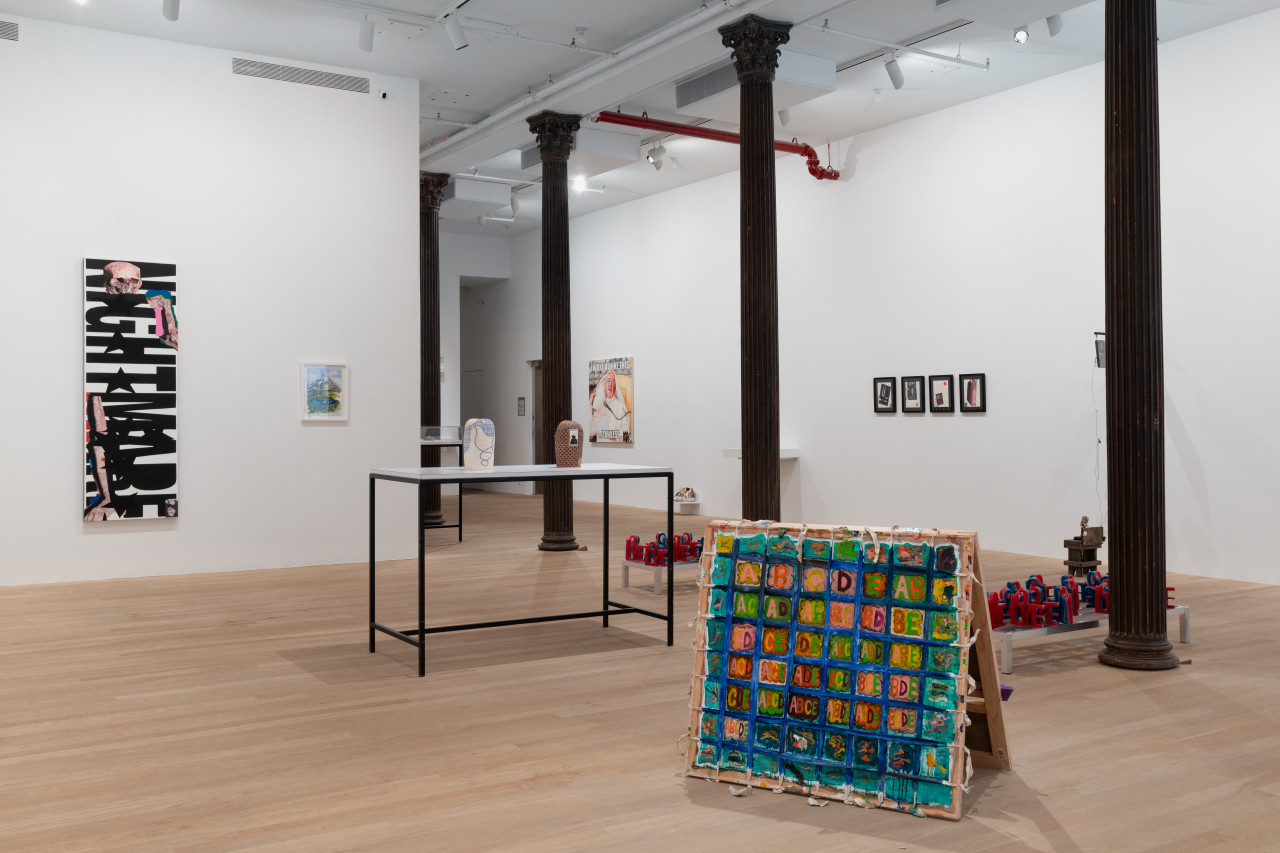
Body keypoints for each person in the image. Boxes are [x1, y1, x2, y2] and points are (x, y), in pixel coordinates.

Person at [589, 370, 631, 442]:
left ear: (615, 387)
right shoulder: (599, 404)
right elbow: (590, 431)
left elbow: (626, 432)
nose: (610, 384)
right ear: (604, 384)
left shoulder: (620, 406)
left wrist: (614, 435)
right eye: (608, 381)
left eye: (613, 382)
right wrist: (590, 403)